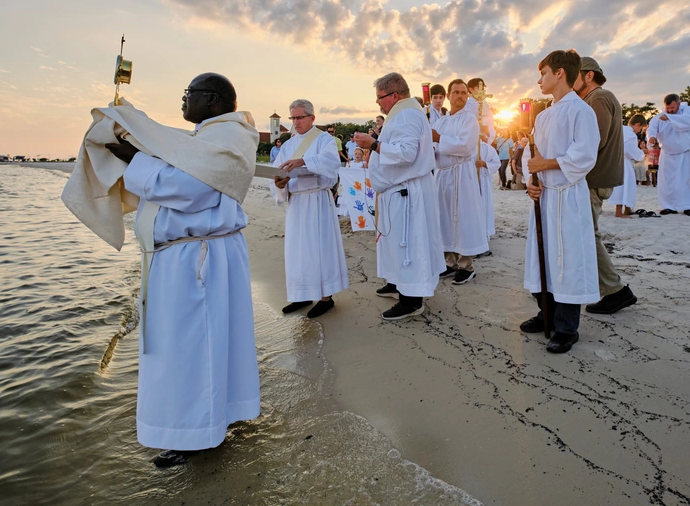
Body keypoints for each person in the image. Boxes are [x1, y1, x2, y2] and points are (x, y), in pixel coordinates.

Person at [87, 73, 261, 467]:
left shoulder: (228, 136)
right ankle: (212, 419)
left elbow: (192, 189)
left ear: (213, 99)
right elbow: (181, 170)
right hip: (185, 257)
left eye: (189, 94)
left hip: (197, 259)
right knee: (199, 343)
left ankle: (196, 433)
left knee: (192, 348)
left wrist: (138, 160)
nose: (183, 100)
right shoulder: (205, 137)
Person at [521, 49, 600, 354]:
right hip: (545, 196)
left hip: (568, 196)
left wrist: (546, 166)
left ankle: (567, 327)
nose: (539, 79)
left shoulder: (580, 111)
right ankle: (547, 314)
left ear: (559, 73)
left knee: (567, 259)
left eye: (543, 73)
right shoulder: (542, 115)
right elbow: (534, 157)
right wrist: (533, 181)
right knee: (544, 258)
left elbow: (584, 156)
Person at [353, 72, 445, 320]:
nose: (378, 103)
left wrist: (371, 143)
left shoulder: (405, 115)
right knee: (395, 242)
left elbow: (406, 153)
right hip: (397, 190)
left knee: (409, 244)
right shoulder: (403, 112)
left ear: (394, 95)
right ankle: (398, 283)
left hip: (407, 192)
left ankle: (411, 299)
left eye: (379, 98)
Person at [271, 100, 349, 318]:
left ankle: (326, 298)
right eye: (293, 118)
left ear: (312, 118)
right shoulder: (287, 145)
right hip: (296, 203)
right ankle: (302, 293)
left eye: (300, 117)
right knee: (298, 250)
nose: (296, 122)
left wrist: (302, 160)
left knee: (318, 248)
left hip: (317, 202)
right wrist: (278, 184)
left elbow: (331, 163)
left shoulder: (324, 140)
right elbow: (277, 170)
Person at [574, 56, 637, 315]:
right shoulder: (593, 99)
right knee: (587, 234)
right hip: (594, 178)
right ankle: (611, 289)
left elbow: (593, 142)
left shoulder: (599, 98)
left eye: (574, 73)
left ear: (589, 75)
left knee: (587, 235)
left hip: (594, 179)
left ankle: (616, 291)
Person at [432, 79, 489, 284]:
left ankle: (466, 265)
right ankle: (449, 262)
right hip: (443, 175)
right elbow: (433, 147)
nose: (460, 96)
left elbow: (465, 147)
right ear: (449, 96)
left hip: (461, 175)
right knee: (444, 219)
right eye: (456, 92)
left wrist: (439, 140)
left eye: (464, 93)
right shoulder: (441, 121)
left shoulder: (469, 120)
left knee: (463, 218)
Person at [646, 94, 690, 216]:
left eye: (672, 108)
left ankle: (688, 206)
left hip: (688, 152)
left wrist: (669, 118)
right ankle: (669, 206)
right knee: (669, 181)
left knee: (687, 180)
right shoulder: (659, 117)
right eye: (667, 108)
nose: (669, 110)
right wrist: (651, 137)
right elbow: (651, 128)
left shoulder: (688, 111)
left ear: (678, 104)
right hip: (668, 153)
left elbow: (689, 122)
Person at [607, 114, 647, 217]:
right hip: (624, 162)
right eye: (641, 128)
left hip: (614, 161)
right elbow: (631, 151)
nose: (640, 131)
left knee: (621, 185)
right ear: (637, 124)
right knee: (625, 185)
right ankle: (619, 211)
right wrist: (642, 153)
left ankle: (628, 209)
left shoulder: (619, 129)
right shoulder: (631, 135)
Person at [477, 129, 501, 240]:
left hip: (483, 179)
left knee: (483, 206)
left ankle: (484, 234)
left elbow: (496, 163)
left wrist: (484, 164)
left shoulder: (488, 148)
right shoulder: (469, 148)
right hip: (472, 180)